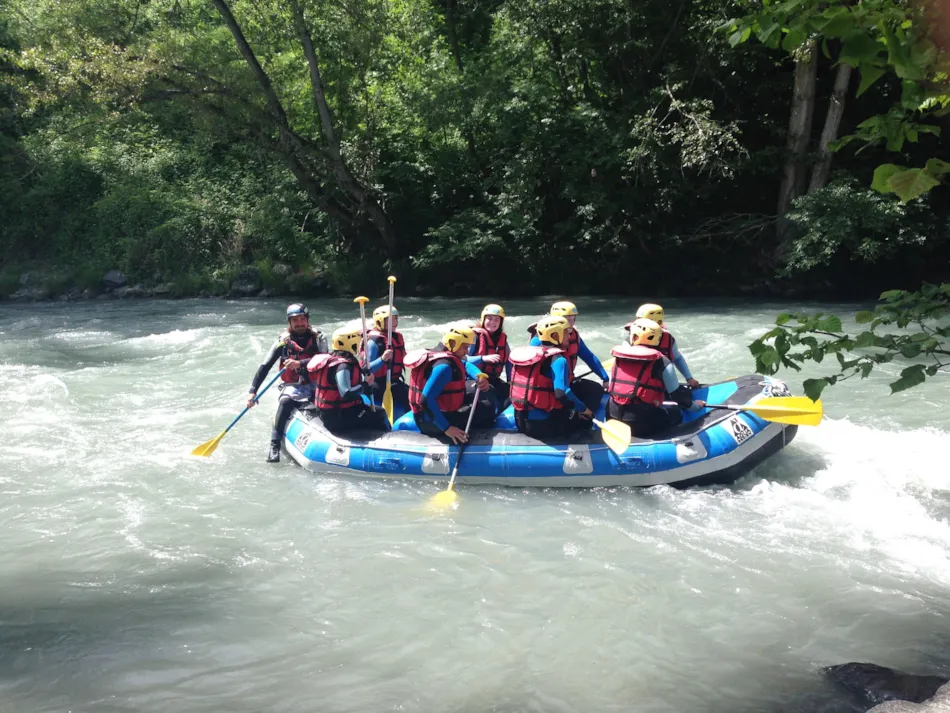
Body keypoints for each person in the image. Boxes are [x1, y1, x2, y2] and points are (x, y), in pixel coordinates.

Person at [247, 303, 328, 463]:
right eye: (295, 320)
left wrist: (300, 364)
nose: (299, 323)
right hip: (294, 386)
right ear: (289, 323)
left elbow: (325, 360)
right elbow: (265, 366)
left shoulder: (319, 338)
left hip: (316, 383)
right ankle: (274, 445)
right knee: (284, 402)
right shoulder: (283, 342)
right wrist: (253, 391)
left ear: (307, 320)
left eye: (302, 319)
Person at [608, 318, 705, 439]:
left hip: (612, 416)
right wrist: (696, 406)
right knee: (676, 411)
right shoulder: (663, 361)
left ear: (634, 336)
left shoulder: (619, 357)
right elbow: (678, 397)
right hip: (640, 424)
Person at [406, 326, 496, 444]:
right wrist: (447, 428)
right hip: (430, 422)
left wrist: (478, 375)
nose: (467, 352)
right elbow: (425, 400)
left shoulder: (441, 353)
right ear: (453, 343)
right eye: (465, 347)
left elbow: (464, 364)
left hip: (428, 415)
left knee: (486, 390)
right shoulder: (444, 367)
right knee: (487, 408)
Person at [510, 316, 593, 440]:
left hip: (520, 420)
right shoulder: (559, 360)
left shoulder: (529, 354)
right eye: (566, 333)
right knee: (585, 421)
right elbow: (561, 394)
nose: (570, 337)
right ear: (555, 335)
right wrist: (584, 410)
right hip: (542, 426)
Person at [528, 301, 608, 411]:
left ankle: (584, 416)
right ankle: (579, 414)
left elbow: (589, 357)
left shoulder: (573, 335)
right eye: (567, 318)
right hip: (547, 388)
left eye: (573, 318)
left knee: (596, 389)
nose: (571, 322)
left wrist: (605, 378)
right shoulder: (540, 338)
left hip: (566, 384)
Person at [307, 328, 388, 434]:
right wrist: (365, 384)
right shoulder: (343, 366)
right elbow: (346, 393)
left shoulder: (335, 359)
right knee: (379, 413)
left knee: (368, 409)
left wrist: (382, 360)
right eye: (357, 340)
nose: (359, 344)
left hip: (333, 413)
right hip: (338, 417)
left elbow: (360, 371)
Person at [624, 303, 700, 388]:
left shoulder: (667, 338)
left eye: (641, 319)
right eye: (637, 319)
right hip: (635, 387)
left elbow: (677, 358)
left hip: (656, 387)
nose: (637, 322)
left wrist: (689, 378)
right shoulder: (631, 338)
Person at [364, 305, 409, 413]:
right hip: (377, 384)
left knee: (413, 395)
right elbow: (366, 369)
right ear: (379, 322)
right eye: (390, 320)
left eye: (395, 319)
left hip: (394, 381)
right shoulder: (374, 341)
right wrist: (383, 359)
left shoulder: (396, 337)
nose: (394, 323)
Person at [467, 303, 511, 407]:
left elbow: (509, 362)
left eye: (497, 319)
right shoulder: (475, 337)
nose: (493, 322)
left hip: (493, 379)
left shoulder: (502, 339)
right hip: (475, 379)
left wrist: (510, 381)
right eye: (489, 319)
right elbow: (463, 359)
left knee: (511, 394)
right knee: (489, 395)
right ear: (483, 320)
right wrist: (482, 358)